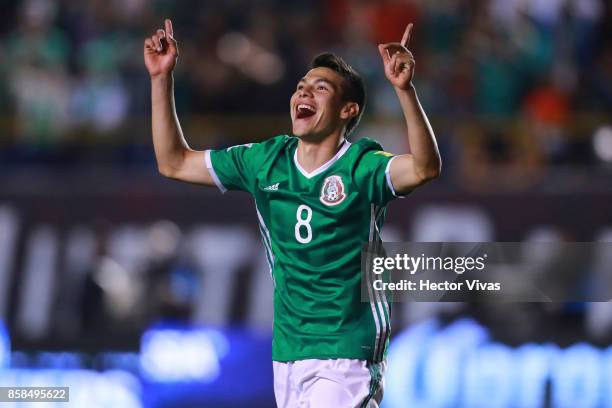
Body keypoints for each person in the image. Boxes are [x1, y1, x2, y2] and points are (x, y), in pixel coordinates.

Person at [144, 18, 440, 408]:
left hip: (347, 350)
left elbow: (424, 167)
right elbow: (174, 162)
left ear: (347, 110)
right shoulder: (265, 160)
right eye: (301, 86)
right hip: (288, 354)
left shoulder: (362, 166)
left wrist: (405, 91)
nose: (305, 92)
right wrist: (161, 78)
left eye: (321, 88)